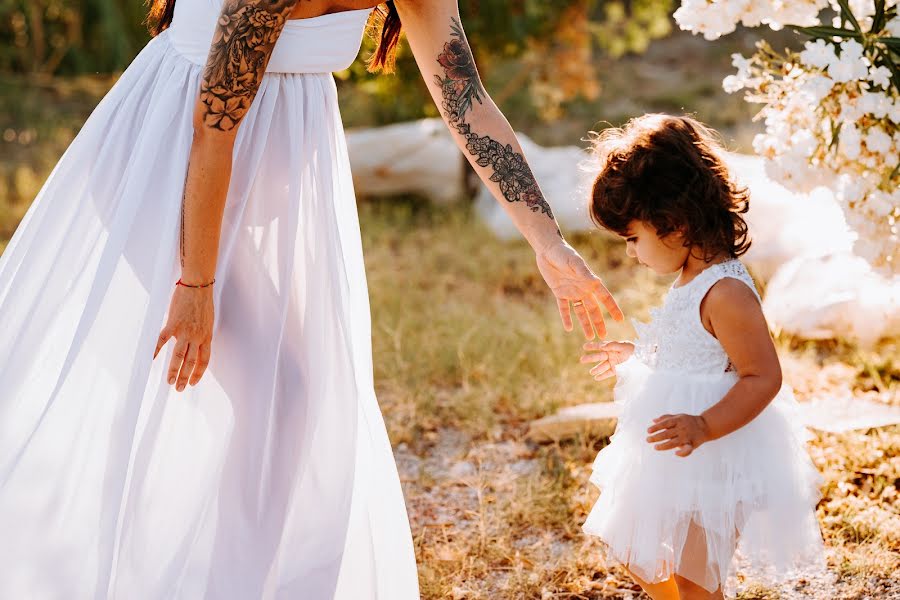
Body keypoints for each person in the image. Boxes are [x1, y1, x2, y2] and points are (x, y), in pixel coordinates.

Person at [0, 0, 622, 598]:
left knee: (285, 397)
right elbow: (213, 130)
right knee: (285, 391)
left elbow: (466, 101)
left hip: (270, 165)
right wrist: (195, 286)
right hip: (170, 165)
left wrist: (547, 241)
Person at [579, 114, 825, 599]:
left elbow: (761, 376)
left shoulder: (728, 292)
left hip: (717, 448)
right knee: (630, 544)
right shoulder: (690, 278)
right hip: (672, 447)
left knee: (697, 579)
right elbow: (691, 352)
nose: (630, 253)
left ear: (674, 223)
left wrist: (705, 426)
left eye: (633, 238)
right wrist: (637, 355)